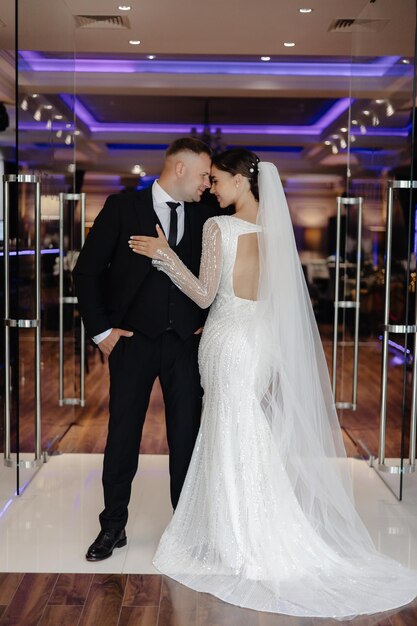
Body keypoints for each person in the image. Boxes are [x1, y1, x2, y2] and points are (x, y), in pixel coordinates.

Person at [129, 148, 417, 619]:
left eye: (218, 180)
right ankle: (252, 526)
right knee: (244, 430)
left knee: (227, 430)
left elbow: (203, 293)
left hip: (225, 341)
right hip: (256, 345)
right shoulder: (278, 234)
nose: (213, 189)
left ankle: (238, 538)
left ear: (242, 181)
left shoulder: (219, 228)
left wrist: (164, 256)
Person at [73, 137, 226, 562]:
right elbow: (86, 272)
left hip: (185, 347)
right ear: (179, 169)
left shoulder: (208, 215)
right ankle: (112, 527)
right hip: (132, 344)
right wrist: (102, 333)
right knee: (122, 436)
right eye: (202, 175)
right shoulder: (123, 208)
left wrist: (209, 324)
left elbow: (219, 279)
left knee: (186, 438)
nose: (206, 185)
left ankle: (186, 528)